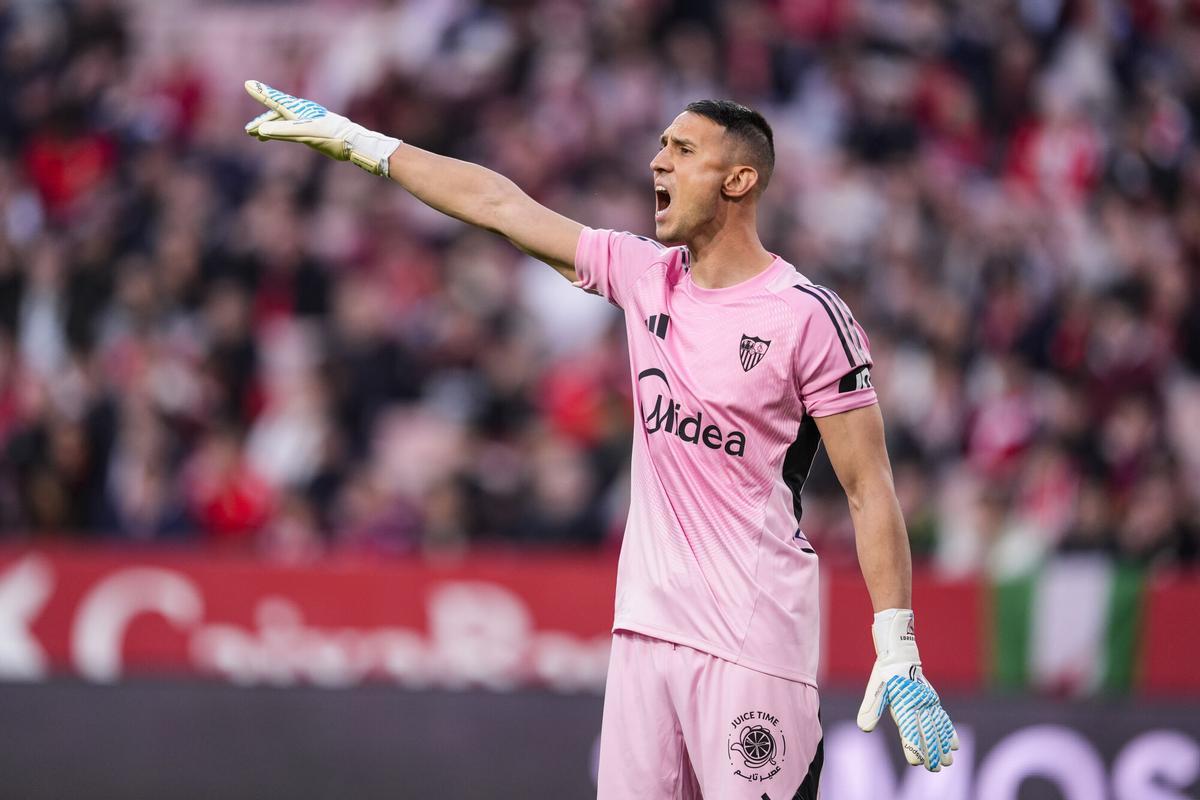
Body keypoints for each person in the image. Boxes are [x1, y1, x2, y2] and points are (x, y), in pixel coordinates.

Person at [243, 80, 957, 798]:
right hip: (643, 636)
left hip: (750, 644)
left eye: (682, 150)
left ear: (739, 180)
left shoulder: (806, 318)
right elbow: (500, 205)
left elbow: (869, 490)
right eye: (659, 146)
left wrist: (896, 645)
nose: (658, 163)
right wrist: (363, 143)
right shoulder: (644, 275)